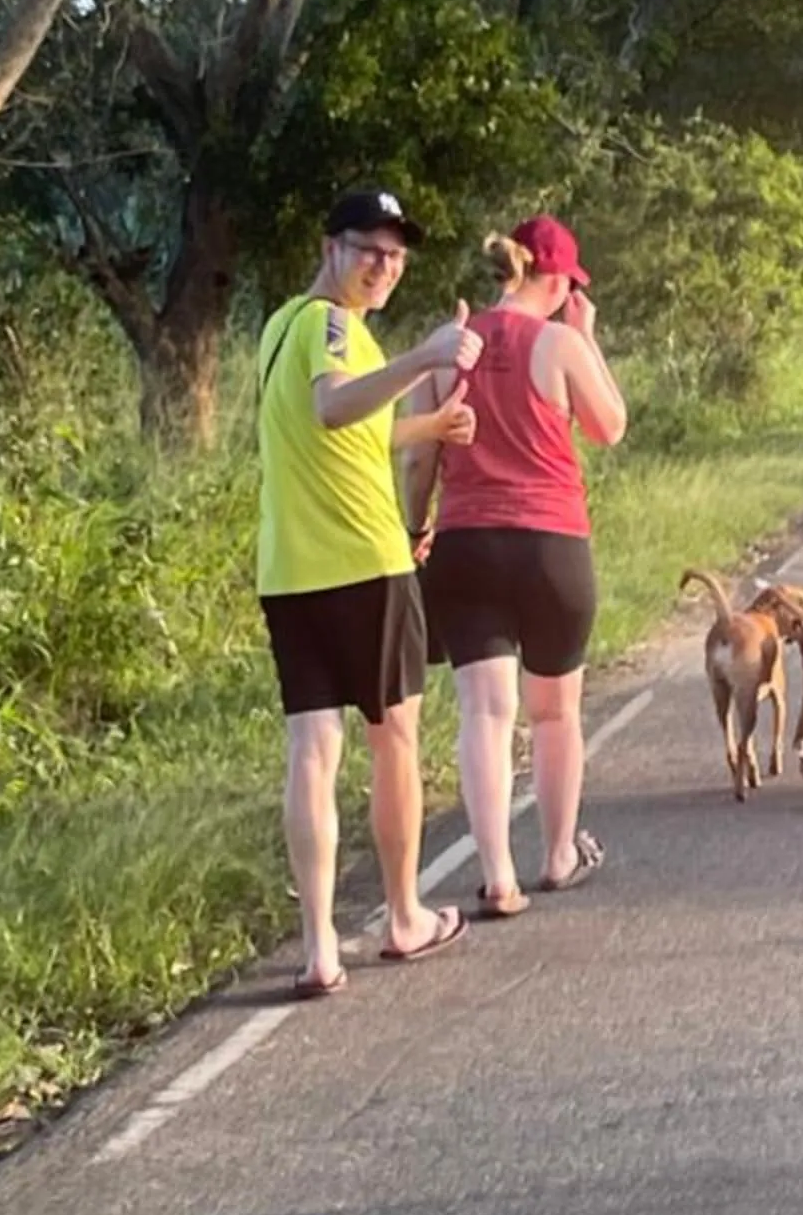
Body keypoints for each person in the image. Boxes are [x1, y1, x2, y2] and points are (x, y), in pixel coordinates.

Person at [257, 185, 485, 997]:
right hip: (366, 565)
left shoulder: (283, 326)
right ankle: (403, 916)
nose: (383, 268)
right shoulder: (333, 327)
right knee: (395, 740)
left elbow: (345, 428)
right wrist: (425, 358)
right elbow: (330, 409)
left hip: (290, 571)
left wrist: (428, 425)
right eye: (368, 251)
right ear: (331, 249)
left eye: (395, 256)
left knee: (312, 753)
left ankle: (320, 947)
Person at [400, 212, 628, 915]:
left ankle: (496, 875)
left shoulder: (447, 346)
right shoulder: (559, 341)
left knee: (484, 712)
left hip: (468, 544)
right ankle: (559, 854)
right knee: (554, 712)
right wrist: (587, 342)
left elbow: (418, 453)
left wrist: (415, 526)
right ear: (558, 280)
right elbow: (608, 426)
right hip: (550, 545)